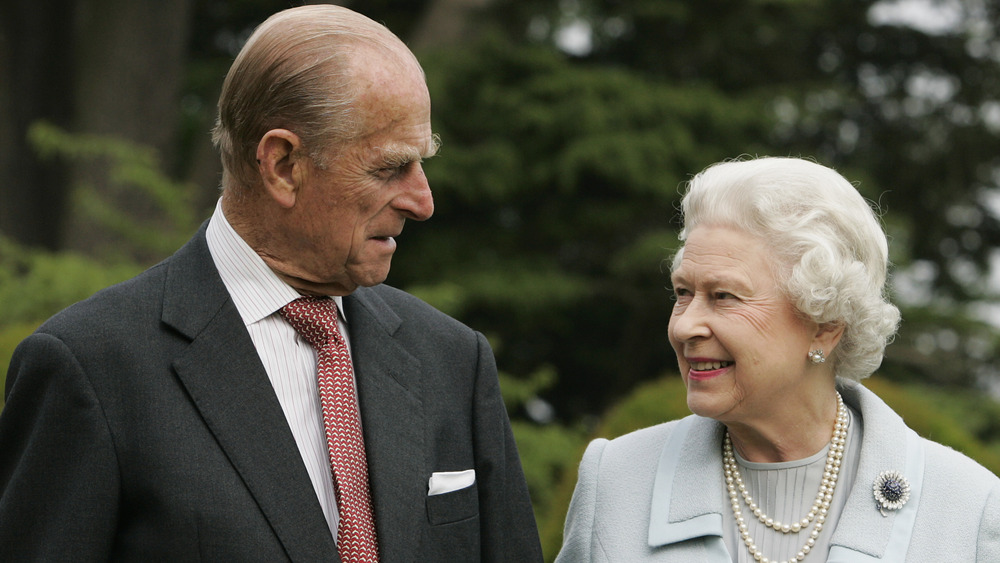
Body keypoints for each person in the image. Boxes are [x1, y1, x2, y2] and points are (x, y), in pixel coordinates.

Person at [0, 5, 542, 562]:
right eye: (389, 168)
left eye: (422, 163)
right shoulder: (91, 368)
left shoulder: (453, 360)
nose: (422, 202)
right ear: (282, 164)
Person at [555, 156, 1000, 562]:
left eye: (724, 296)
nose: (684, 326)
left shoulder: (967, 507)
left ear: (825, 323)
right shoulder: (616, 480)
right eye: (683, 293)